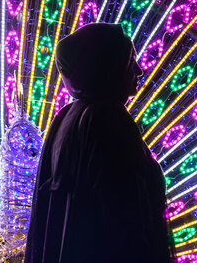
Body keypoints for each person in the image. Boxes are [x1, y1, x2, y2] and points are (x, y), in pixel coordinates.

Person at [24, 23, 174, 263]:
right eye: (129, 61)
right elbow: (121, 216)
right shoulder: (108, 119)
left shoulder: (66, 116)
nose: (139, 70)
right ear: (108, 67)